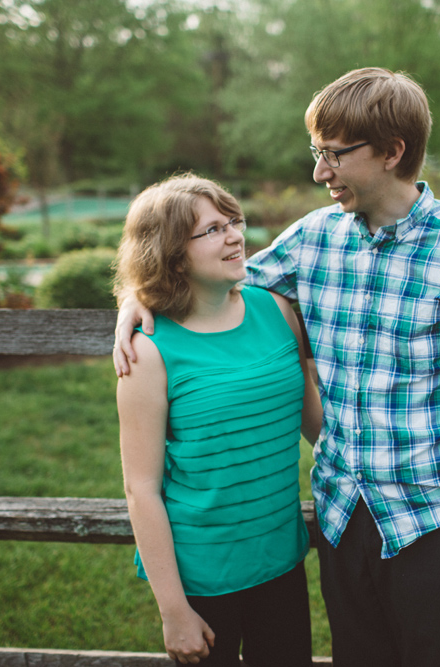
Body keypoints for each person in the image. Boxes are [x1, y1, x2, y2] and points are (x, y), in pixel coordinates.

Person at [115, 68, 440, 667]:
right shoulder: (314, 238)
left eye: (332, 155)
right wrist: (135, 297)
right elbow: (204, 273)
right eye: (317, 153)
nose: (318, 172)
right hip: (341, 519)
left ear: (391, 152)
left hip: (431, 522)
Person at [115, 173, 321, 667]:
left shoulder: (276, 309)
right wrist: (173, 611)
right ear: (172, 253)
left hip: (281, 562)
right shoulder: (147, 352)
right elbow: (140, 488)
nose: (233, 235)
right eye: (211, 229)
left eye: (233, 221)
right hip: (202, 577)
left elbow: (315, 423)